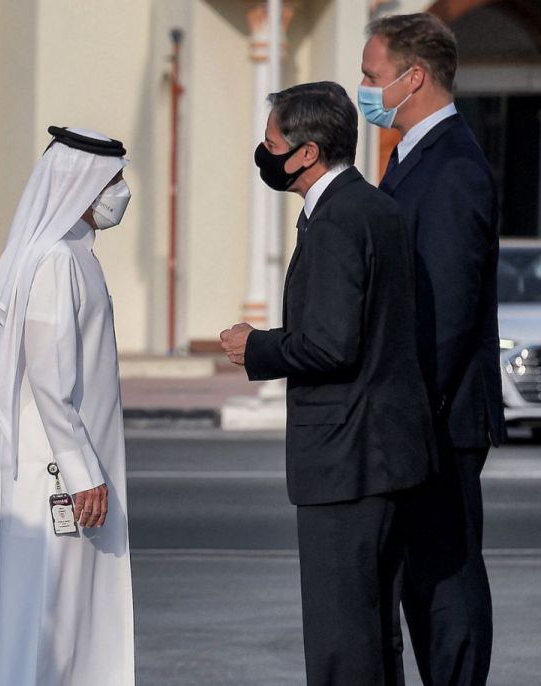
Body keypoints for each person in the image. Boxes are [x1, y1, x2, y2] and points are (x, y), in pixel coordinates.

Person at [220, 81, 434, 686]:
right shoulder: (375, 207)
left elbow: (332, 344)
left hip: (347, 458)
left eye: (272, 144)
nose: (264, 155)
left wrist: (255, 346)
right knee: (374, 633)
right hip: (385, 455)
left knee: (342, 638)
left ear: (307, 152)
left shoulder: (338, 219)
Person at [0, 127, 135, 686]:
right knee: (47, 616)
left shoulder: (70, 256)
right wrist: (83, 471)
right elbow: (47, 377)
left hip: (57, 465)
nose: (121, 193)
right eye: (112, 181)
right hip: (53, 473)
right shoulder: (57, 260)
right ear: (80, 185)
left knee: (57, 615)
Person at [360, 14, 501, 684]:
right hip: (421, 415)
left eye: (371, 76)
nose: (364, 89)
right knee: (423, 578)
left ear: (412, 78)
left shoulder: (449, 168)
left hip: (436, 419)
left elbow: (444, 314)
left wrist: (406, 414)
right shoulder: (417, 155)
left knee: (446, 578)